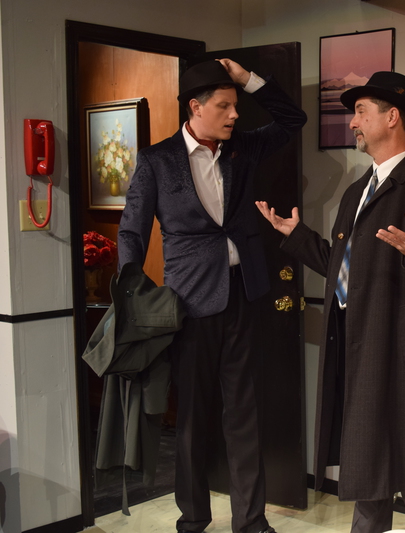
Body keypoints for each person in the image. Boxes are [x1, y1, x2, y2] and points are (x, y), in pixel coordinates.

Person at [256, 71, 405, 533]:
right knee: (366, 466)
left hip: (404, 354)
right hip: (356, 345)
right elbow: (344, 270)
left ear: (392, 117)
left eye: (361, 112)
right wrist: (299, 237)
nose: (352, 123)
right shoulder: (355, 191)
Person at [117, 58, 307, 533]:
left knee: (245, 414)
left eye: (235, 104)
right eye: (224, 105)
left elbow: (292, 119)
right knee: (193, 419)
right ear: (195, 107)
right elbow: (132, 233)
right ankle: (193, 517)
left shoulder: (243, 147)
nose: (234, 114)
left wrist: (247, 80)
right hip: (188, 305)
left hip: (245, 295)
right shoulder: (156, 161)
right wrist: (132, 297)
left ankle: (252, 520)